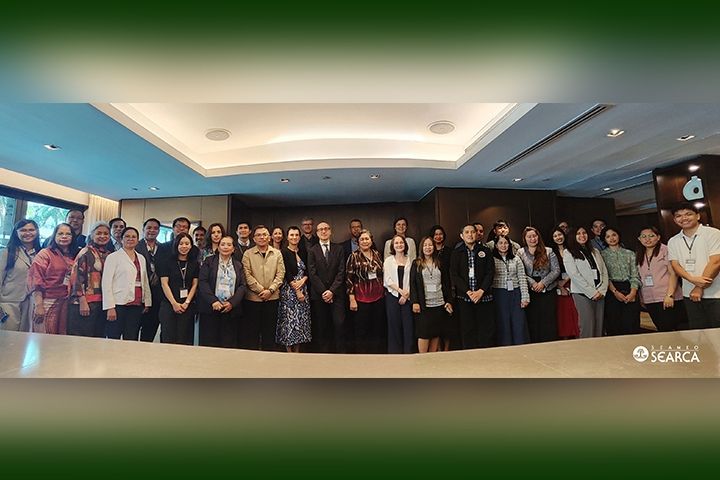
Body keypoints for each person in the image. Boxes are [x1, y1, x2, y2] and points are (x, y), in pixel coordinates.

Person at [668, 203, 720, 329]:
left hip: (716, 294)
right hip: (689, 295)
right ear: (674, 220)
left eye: (688, 214)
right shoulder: (673, 241)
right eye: (678, 216)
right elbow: (675, 265)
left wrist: (698, 287)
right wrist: (692, 279)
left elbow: (716, 261)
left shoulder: (713, 233)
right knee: (698, 332)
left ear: (697, 216)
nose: (683, 218)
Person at [450, 224, 495, 349]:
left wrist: (481, 291)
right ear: (461, 236)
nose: (470, 234)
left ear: (477, 234)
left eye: (472, 232)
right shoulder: (456, 252)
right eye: (467, 232)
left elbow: (490, 273)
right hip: (465, 298)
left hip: (484, 297)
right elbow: (454, 275)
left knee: (485, 330)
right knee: (467, 329)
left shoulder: (485, 251)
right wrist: (468, 292)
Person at [102, 227, 152, 340]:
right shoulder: (113, 257)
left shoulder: (141, 258)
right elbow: (106, 283)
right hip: (118, 303)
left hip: (136, 304)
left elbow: (144, 280)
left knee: (131, 337)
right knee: (114, 336)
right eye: (127, 236)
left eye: (134, 237)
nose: (130, 239)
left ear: (138, 240)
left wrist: (147, 301)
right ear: (122, 239)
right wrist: (110, 307)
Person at [241, 225, 285, 351]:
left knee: (269, 332)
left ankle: (268, 358)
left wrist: (270, 290)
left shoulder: (277, 253)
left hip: (272, 298)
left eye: (264, 234)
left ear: (269, 237)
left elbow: (281, 274)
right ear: (254, 238)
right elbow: (246, 275)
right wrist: (261, 290)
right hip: (253, 299)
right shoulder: (248, 254)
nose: (262, 237)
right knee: (252, 332)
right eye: (258, 235)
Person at [197, 235, 246, 348]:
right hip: (211, 308)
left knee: (228, 344)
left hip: (230, 310)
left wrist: (232, 303)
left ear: (233, 249)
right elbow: (203, 282)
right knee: (209, 343)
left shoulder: (238, 265)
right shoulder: (209, 261)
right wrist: (213, 301)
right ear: (218, 247)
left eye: (229, 245)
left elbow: (242, 286)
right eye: (222, 244)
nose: (225, 247)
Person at [28, 223, 75, 335]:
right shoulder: (45, 254)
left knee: (59, 338)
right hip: (46, 301)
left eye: (68, 234)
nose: (64, 236)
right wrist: (39, 305)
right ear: (54, 236)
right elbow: (36, 281)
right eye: (60, 234)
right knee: (44, 337)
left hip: (65, 302)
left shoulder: (71, 256)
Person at [67, 222, 113, 337]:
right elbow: (76, 277)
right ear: (92, 235)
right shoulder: (85, 252)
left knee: (98, 338)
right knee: (82, 339)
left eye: (106, 233)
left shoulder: (109, 255)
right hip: (85, 303)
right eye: (99, 233)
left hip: (101, 303)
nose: (102, 236)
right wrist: (82, 301)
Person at [307, 221, 347, 353]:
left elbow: (341, 272)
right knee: (322, 326)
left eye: (326, 229)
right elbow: (312, 274)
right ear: (317, 233)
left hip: (337, 294)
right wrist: (324, 292)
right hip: (319, 295)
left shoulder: (339, 249)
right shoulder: (312, 250)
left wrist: (331, 291)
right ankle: (324, 355)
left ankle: (340, 354)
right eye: (320, 229)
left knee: (339, 324)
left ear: (330, 231)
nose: (324, 231)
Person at [636, 226, 685, 332]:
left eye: (651, 236)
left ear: (658, 237)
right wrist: (642, 298)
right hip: (649, 298)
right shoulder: (639, 254)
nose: (647, 239)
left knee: (671, 329)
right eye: (643, 236)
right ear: (639, 239)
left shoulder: (665, 250)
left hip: (666, 297)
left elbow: (673, 273)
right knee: (661, 329)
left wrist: (670, 295)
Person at [563, 226, 608, 338]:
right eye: (578, 233)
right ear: (573, 236)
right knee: (587, 325)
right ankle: (586, 349)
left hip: (600, 292)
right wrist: (592, 292)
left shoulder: (595, 251)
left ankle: (598, 348)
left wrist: (602, 290)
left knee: (599, 326)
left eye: (584, 233)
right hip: (582, 293)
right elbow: (574, 275)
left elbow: (604, 272)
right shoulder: (568, 252)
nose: (582, 235)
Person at [410, 237, 453, 353]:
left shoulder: (440, 262)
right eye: (425, 245)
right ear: (421, 248)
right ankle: (422, 360)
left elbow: (446, 283)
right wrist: (415, 302)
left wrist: (449, 301)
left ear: (434, 247)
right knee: (424, 334)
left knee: (435, 334)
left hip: (439, 304)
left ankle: (432, 360)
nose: (428, 247)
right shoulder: (416, 263)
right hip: (424, 306)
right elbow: (412, 284)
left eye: (430, 245)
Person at [518, 226, 560, 343]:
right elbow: (520, 272)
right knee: (533, 320)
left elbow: (556, 270)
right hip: (530, 291)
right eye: (529, 237)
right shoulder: (520, 252)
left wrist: (543, 283)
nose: (532, 239)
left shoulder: (549, 251)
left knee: (548, 320)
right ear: (525, 239)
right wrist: (533, 283)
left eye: (534, 236)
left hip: (548, 289)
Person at [346, 229, 386, 353]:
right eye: (362, 239)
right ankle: (363, 356)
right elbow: (349, 278)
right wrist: (352, 299)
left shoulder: (377, 254)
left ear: (371, 240)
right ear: (358, 242)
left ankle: (376, 354)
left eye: (367, 239)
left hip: (378, 297)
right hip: (361, 299)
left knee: (377, 328)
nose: (365, 241)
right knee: (362, 330)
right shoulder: (353, 256)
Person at [158, 232, 199, 345]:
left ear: (191, 246)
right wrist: (174, 303)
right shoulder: (167, 261)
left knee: (185, 338)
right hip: (169, 304)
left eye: (187, 243)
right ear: (176, 245)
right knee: (168, 338)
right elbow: (164, 284)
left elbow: (195, 284)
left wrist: (187, 302)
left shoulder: (195, 263)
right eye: (181, 243)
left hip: (187, 306)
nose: (184, 246)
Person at [0, 219, 40, 332]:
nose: (27, 233)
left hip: (31, 303)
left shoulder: (41, 253)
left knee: (25, 338)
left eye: (31, 230)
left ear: (37, 232)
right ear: (16, 233)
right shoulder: (7, 253)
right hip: (9, 302)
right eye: (23, 230)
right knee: (8, 337)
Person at [601, 226, 641, 335]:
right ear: (604, 239)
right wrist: (615, 292)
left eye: (614, 235)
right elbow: (605, 276)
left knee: (631, 322)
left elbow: (635, 275)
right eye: (608, 236)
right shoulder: (602, 255)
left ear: (618, 236)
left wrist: (633, 292)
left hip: (630, 288)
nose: (612, 238)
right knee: (614, 323)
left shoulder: (630, 253)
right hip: (611, 290)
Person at [277, 226, 311, 352]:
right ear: (287, 237)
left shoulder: (303, 252)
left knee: (300, 320)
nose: (294, 237)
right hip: (290, 291)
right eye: (291, 235)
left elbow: (308, 270)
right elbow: (286, 272)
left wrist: (304, 279)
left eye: (296, 235)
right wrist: (297, 290)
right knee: (289, 320)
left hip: (303, 287)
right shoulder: (283, 252)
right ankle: (289, 351)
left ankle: (297, 351)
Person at [136, 218, 169, 342]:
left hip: (157, 294)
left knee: (150, 329)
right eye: (149, 228)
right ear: (143, 229)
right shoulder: (136, 246)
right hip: (140, 293)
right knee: (133, 329)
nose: (152, 230)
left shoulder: (163, 248)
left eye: (155, 228)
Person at [492, 236, 530, 346]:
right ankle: (505, 347)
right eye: (501, 243)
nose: (503, 245)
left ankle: (520, 346)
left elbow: (522, 277)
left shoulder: (516, 259)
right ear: (496, 245)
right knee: (503, 321)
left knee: (518, 321)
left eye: (506, 243)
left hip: (515, 292)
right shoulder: (492, 259)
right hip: (499, 293)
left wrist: (525, 297)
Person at [383, 234, 413, 354]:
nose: (399, 245)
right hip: (393, 296)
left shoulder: (411, 260)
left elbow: (413, 280)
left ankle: (408, 353)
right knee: (394, 326)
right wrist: (400, 291)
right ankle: (395, 354)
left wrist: (406, 294)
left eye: (401, 242)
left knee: (408, 326)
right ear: (392, 246)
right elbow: (387, 280)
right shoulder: (388, 261)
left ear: (405, 245)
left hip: (408, 297)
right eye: (396, 243)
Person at [550, 227, 579, 339]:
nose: (558, 237)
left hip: (574, 282)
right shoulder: (551, 252)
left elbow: (577, 268)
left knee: (576, 311)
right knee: (563, 313)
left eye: (560, 234)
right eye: (555, 236)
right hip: (558, 286)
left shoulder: (572, 249)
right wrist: (559, 285)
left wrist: (566, 280)